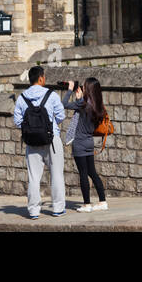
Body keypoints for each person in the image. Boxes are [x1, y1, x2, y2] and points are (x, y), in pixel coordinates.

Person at [12, 65, 65, 219]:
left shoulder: (22, 98)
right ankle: (57, 208)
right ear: (41, 78)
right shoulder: (52, 95)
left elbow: (17, 121)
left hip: (31, 141)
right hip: (51, 139)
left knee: (34, 177)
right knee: (56, 174)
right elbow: (61, 116)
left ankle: (34, 210)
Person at [62, 77, 109, 212]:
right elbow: (83, 117)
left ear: (87, 89)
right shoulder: (97, 106)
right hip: (89, 142)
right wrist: (78, 99)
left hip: (79, 143)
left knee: (83, 174)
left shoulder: (83, 104)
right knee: (92, 173)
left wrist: (70, 90)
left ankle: (87, 204)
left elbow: (63, 104)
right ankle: (102, 201)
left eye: (84, 86)